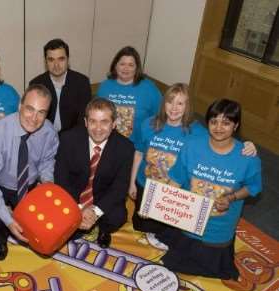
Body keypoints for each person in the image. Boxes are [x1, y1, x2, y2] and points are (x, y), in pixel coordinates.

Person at [129, 84, 259, 238]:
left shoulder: (199, 133)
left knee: (171, 233)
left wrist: (247, 145)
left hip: (178, 195)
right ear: (163, 103)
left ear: (188, 106)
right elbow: (138, 153)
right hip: (147, 185)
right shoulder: (148, 124)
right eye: (170, 102)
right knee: (142, 226)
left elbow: (221, 140)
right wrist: (131, 182)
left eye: (180, 103)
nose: (174, 108)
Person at [158, 99, 262, 280]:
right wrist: (160, 203)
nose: (219, 127)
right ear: (207, 123)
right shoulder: (192, 146)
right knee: (175, 261)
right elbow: (176, 179)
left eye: (226, 123)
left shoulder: (248, 158)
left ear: (236, 125)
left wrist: (231, 198)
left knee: (214, 268)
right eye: (214, 121)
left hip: (218, 229)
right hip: (188, 222)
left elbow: (253, 187)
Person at [0, 84, 59, 260]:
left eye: (41, 112)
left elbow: (47, 161)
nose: (34, 118)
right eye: (30, 109)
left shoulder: (49, 131)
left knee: (45, 221)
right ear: (19, 106)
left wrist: (47, 185)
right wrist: (8, 218)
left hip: (30, 185)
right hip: (0, 185)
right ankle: (1, 237)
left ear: (47, 114)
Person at [54, 97, 135, 248]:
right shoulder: (68, 139)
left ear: (114, 124)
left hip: (102, 196)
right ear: (85, 122)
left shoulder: (126, 148)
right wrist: (79, 208)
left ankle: (103, 229)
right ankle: (77, 221)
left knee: (117, 216)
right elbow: (61, 179)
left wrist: (95, 212)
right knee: (55, 213)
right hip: (75, 195)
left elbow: (120, 187)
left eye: (104, 122)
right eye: (93, 121)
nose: (98, 128)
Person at [97, 46, 162, 147]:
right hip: (106, 143)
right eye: (122, 64)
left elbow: (161, 116)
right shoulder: (105, 86)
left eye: (131, 65)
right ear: (115, 65)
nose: (126, 68)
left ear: (137, 68)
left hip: (136, 146)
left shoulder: (149, 89)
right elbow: (96, 114)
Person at [29, 38, 91, 132]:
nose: (56, 65)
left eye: (61, 59)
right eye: (51, 60)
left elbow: (84, 119)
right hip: (43, 136)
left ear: (68, 60)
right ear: (46, 61)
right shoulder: (36, 84)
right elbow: (33, 119)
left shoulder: (82, 83)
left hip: (73, 137)